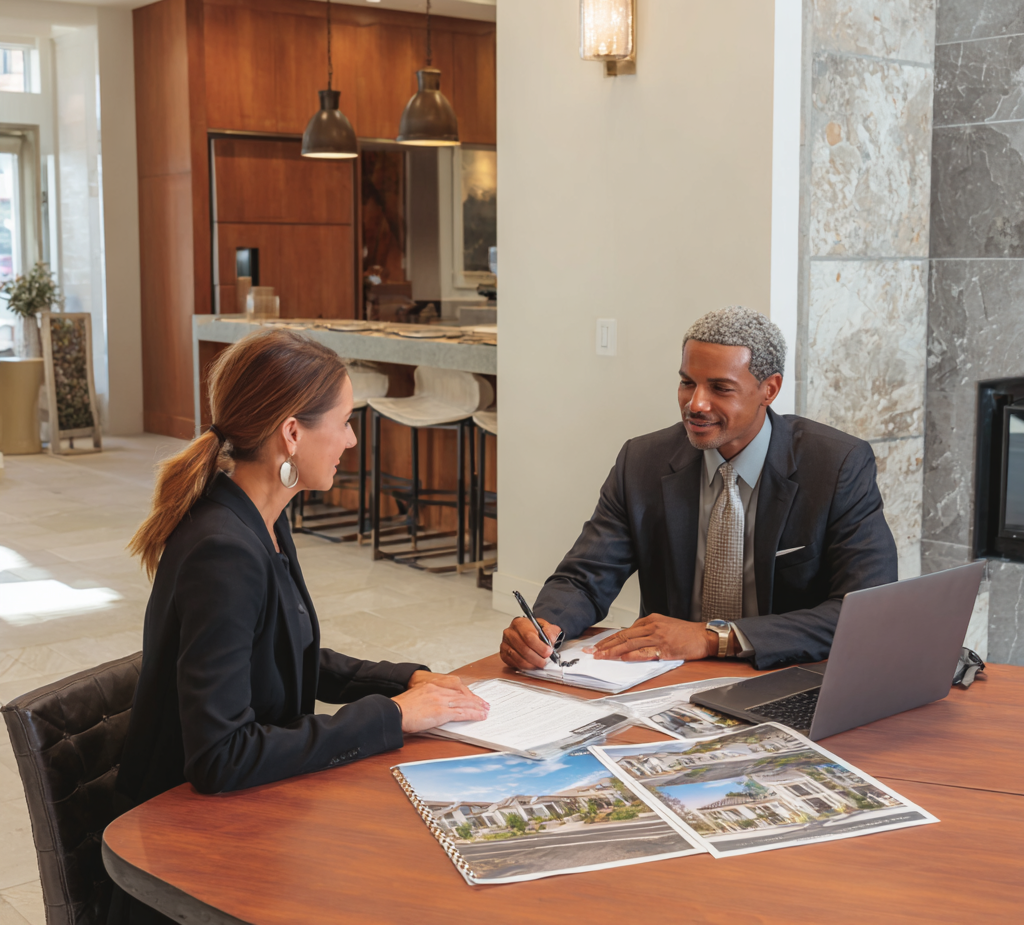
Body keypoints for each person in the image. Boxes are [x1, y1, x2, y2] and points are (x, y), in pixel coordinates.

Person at [111, 330, 487, 924]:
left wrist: (407, 679)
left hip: (243, 820)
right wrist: (393, 716)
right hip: (186, 856)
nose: (351, 438)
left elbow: (289, 652)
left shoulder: (261, 516)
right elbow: (221, 758)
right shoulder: (224, 550)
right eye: (342, 421)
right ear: (292, 432)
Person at [500, 306, 897, 674]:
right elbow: (585, 578)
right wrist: (545, 625)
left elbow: (865, 609)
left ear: (769, 389)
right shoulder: (642, 461)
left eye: (720, 388)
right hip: (667, 676)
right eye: (687, 383)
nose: (696, 404)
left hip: (784, 671)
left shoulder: (836, 465)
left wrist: (712, 637)